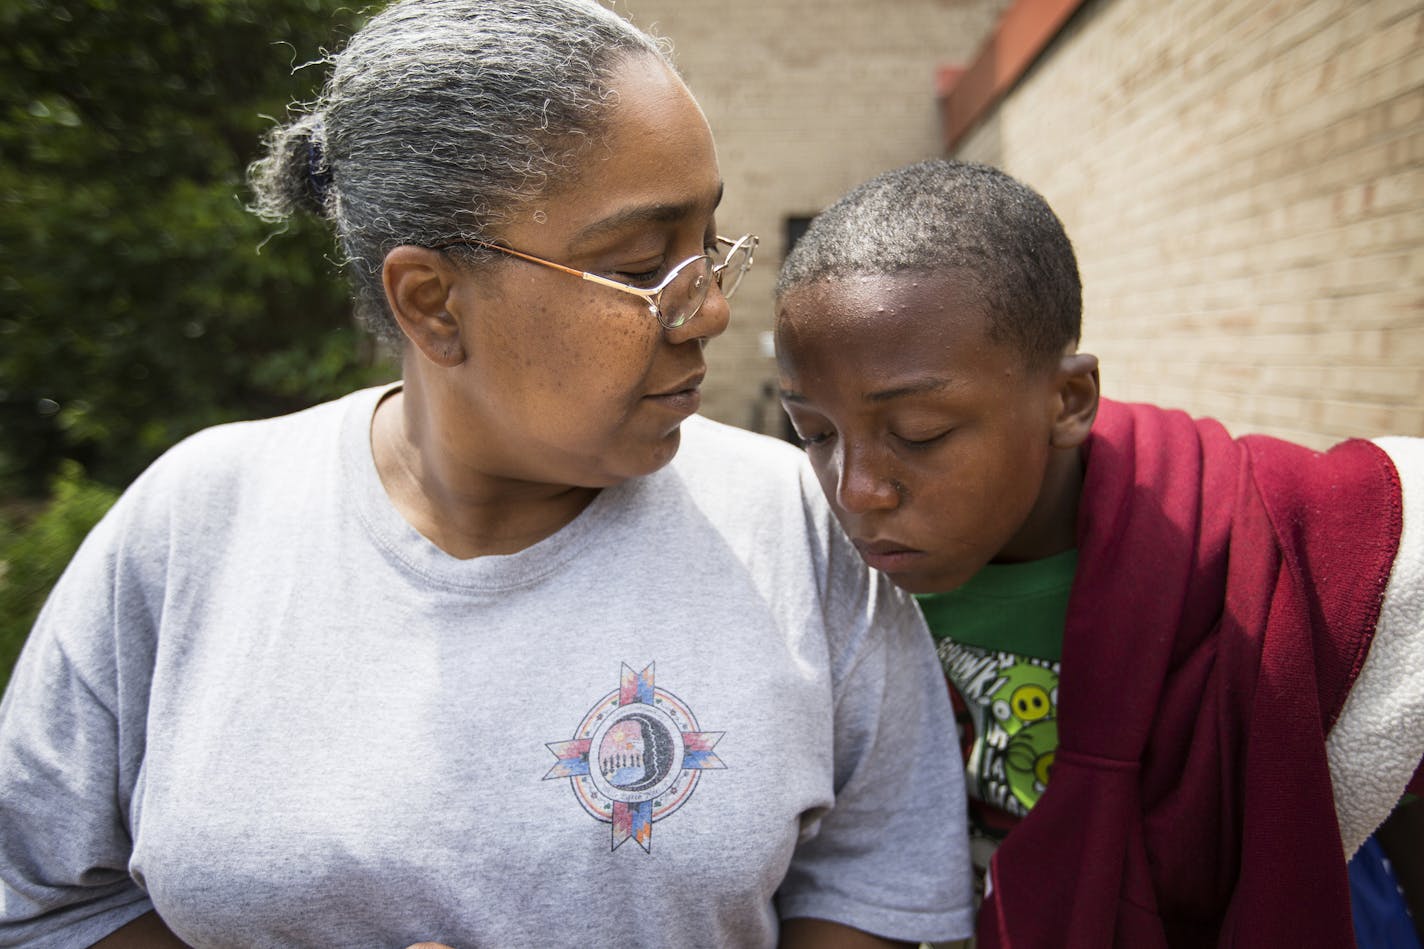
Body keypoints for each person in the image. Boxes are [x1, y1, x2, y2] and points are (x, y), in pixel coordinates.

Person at [0, 5, 977, 946]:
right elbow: (41, 896)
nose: (709, 310)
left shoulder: (801, 530)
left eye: (705, 244)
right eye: (642, 265)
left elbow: (873, 884)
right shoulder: (196, 522)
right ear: (431, 304)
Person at [772, 158, 1424, 946]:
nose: (857, 489)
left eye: (920, 434)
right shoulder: (820, 577)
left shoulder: (1249, 549)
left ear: (1068, 400)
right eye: (813, 433)